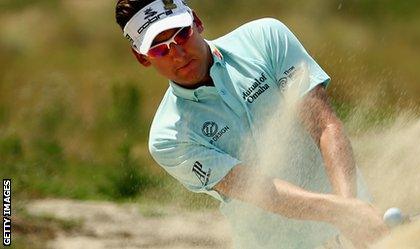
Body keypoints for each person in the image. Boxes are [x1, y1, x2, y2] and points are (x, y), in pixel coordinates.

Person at [114, 0, 388, 248]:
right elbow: (258, 189)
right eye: (160, 48)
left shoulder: (265, 38)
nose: (178, 53)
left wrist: (352, 207)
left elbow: (325, 127)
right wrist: (344, 213)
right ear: (142, 58)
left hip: (359, 223)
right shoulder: (168, 138)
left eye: (182, 34)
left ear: (196, 22)